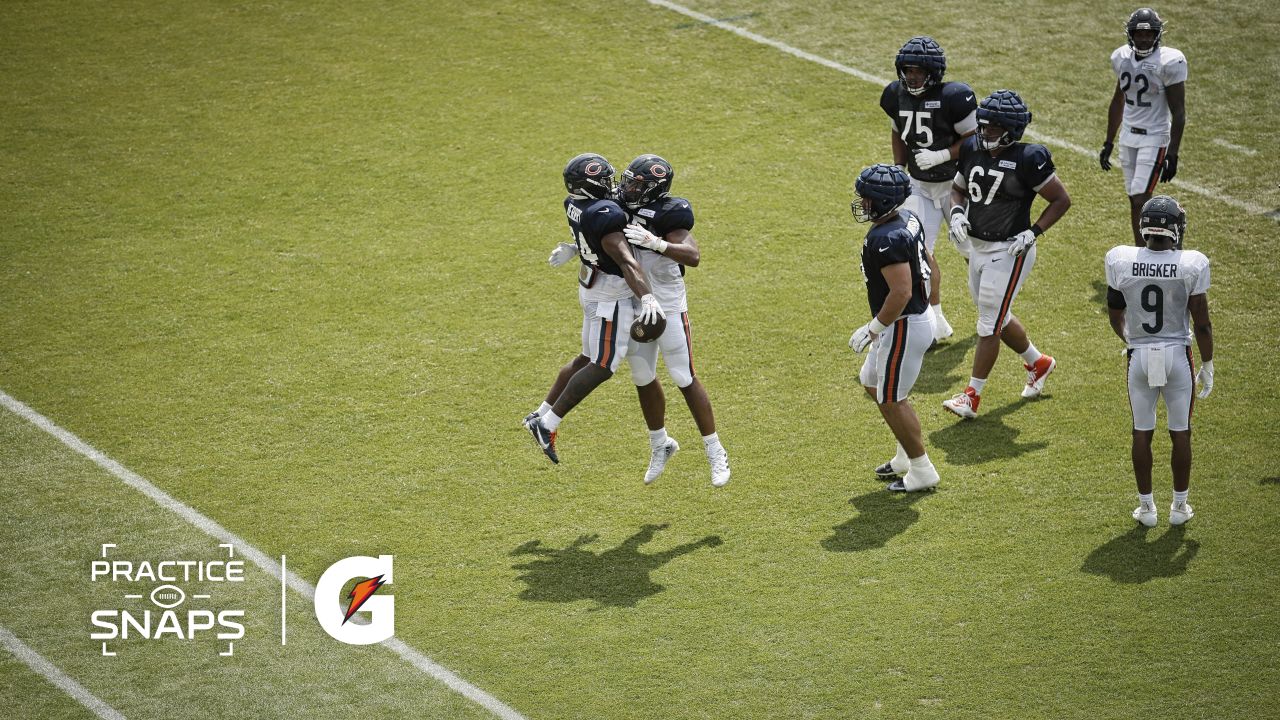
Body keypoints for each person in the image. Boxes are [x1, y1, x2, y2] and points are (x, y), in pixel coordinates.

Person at [524, 153, 664, 464]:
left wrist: (576, 248)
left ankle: (541, 412)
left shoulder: (574, 202)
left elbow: (594, 238)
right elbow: (625, 260)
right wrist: (647, 297)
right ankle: (547, 425)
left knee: (587, 357)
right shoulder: (605, 213)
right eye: (601, 181)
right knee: (603, 364)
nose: (610, 186)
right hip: (610, 295)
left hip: (590, 284)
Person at [944, 90, 1071, 419]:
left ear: (1012, 130)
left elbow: (1060, 200)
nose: (984, 133)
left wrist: (1033, 232)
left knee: (988, 322)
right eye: (983, 126)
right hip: (978, 246)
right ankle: (1038, 362)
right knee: (996, 317)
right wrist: (957, 213)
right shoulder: (972, 146)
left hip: (1010, 249)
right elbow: (958, 189)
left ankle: (971, 396)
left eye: (992, 129)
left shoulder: (1030, 158)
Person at [617, 154, 731, 487]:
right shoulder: (619, 204)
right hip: (636, 301)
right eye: (627, 181)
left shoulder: (670, 212)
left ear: (654, 189)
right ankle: (660, 444)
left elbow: (692, 255)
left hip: (667, 303)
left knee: (683, 375)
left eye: (636, 184)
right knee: (642, 375)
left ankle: (715, 449)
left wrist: (658, 243)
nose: (627, 188)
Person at [1104, 195, 1212, 526]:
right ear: (1175, 229)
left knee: (1142, 430)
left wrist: (1133, 340)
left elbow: (1114, 312)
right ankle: (1179, 507)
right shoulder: (1191, 262)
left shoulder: (1121, 259)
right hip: (1177, 355)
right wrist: (1207, 364)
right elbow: (1202, 321)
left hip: (1140, 356)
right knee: (1180, 431)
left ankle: (1147, 508)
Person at [880, 36, 978, 345]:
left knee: (973, 251)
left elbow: (975, 139)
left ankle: (992, 307)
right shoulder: (896, 95)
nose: (912, 77)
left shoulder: (954, 97)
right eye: (908, 70)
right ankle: (935, 321)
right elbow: (898, 130)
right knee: (918, 253)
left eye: (918, 71)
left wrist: (943, 154)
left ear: (933, 72)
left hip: (957, 185)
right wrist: (899, 166)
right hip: (920, 185)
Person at [848, 164, 940, 492]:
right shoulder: (908, 220)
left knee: (892, 399)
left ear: (884, 201)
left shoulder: (886, 237)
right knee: (871, 381)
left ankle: (922, 469)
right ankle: (905, 454)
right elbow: (929, 261)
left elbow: (901, 291)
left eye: (869, 198)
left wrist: (873, 328)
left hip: (902, 324)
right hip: (909, 319)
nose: (864, 203)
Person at [1099, 8, 1187, 246]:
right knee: (1133, 199)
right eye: (1139, 34)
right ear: (1131, 34)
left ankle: (1159, 249)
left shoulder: (1169, 61)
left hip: (1154, 136)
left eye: (1149, 34)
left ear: (1158, 35)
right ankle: (1142, 251)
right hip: (1128, 136)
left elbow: (1179, 112)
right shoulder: (1121, 57)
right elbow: (1118, 100)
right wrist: (1109, 140)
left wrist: (1173, 152)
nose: (1144, 39)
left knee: (1141, 198)